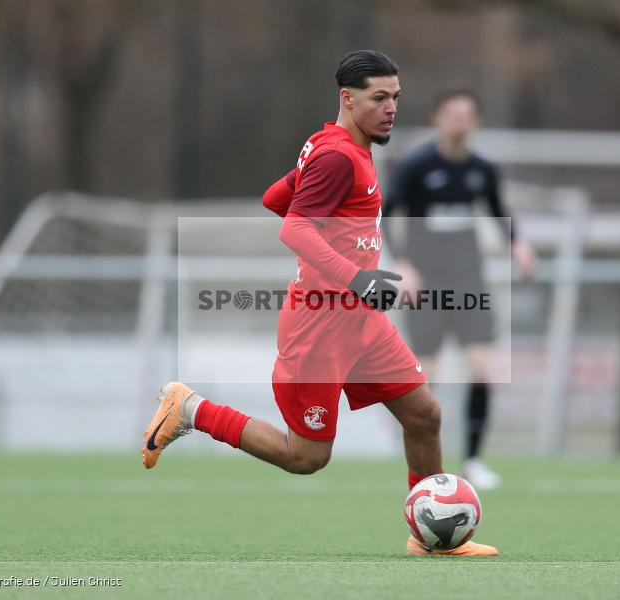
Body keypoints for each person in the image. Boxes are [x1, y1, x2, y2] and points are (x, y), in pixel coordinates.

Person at [141, 50, 498, 556]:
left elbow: (275, 198)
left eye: (395, 98)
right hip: (320, 325)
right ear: (347, 99)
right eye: (379, 98)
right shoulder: (336, 156)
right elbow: (293, 228)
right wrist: (356, 276)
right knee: (306, 457)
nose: (391, 109)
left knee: (424, 415)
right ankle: (191, 408)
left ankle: (431, 537)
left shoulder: (337, 147)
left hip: (360, 320)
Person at [383, 89, 537, 490]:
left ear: (476, 121)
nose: (459, 122)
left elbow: (497, 210)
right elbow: (388, 213)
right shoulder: (416, 165)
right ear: (436, 118)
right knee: (425, 378)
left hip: (470, 282)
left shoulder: (482, 169)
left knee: (483, 369)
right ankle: (419, 464)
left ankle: (472, 460)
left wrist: (517, 244)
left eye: (467, 115)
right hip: (426, 286)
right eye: (452, 113)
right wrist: (403, 264)